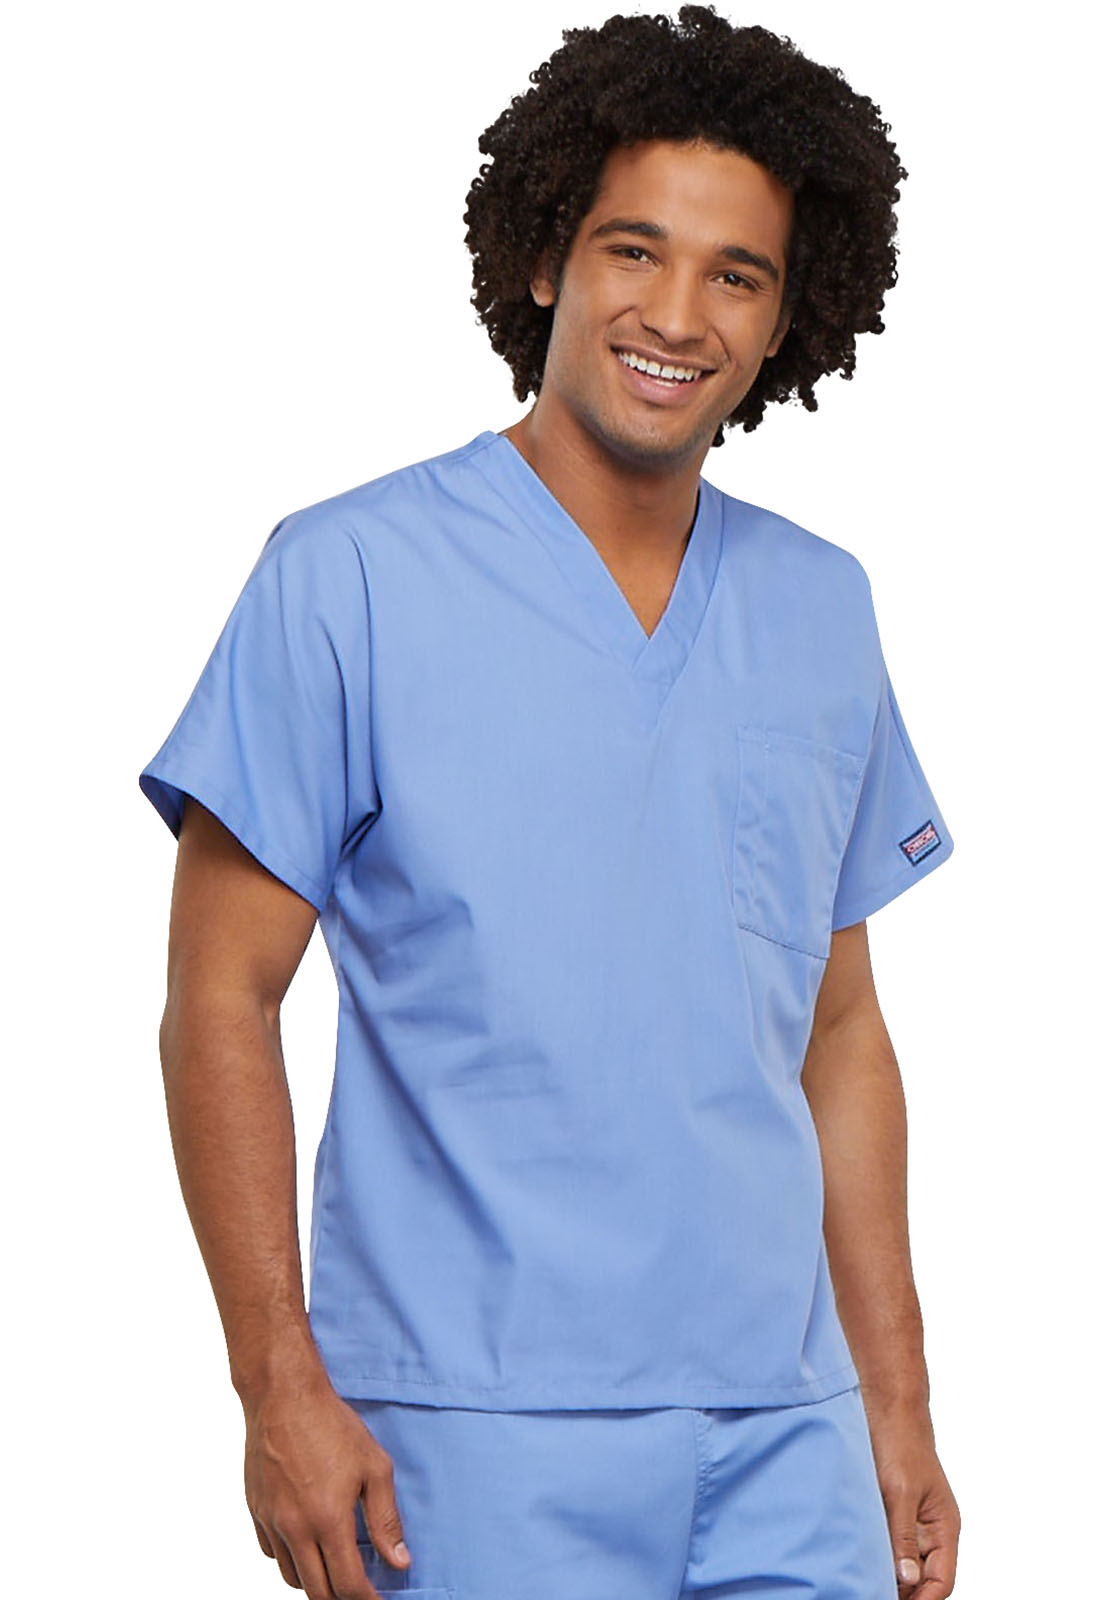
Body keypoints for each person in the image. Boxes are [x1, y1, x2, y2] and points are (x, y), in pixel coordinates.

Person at [138, 7, 962, 1597]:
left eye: (737, 275)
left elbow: (842, 1029)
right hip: (467, 1437)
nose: (678, 315)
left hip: (789, 1443)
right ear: (543, 261)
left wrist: (898, 1403)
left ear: (787, 316)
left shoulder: (822, 606)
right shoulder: (346, 579)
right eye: (632, 251)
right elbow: (219, 999)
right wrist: (277, 1386)